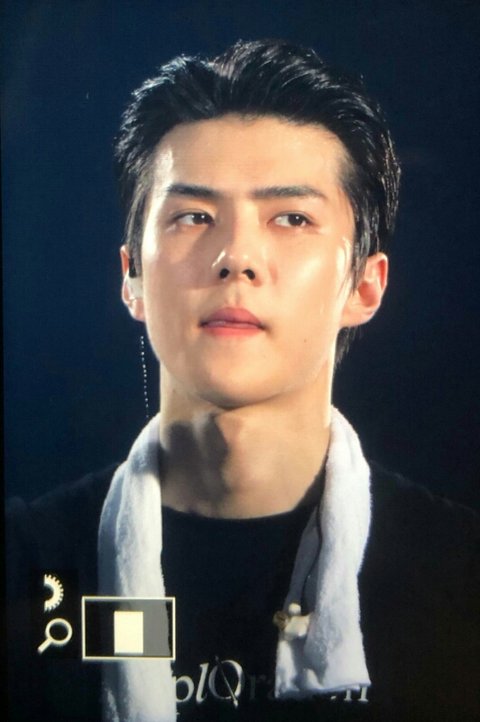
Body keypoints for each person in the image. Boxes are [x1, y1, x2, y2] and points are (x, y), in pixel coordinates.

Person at [6, 39, 479, 722]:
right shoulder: (28, 564)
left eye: (292, 218)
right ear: (131, 276)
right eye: (193, 216)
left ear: (365, 286)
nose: (236, 257)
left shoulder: (460, 575)